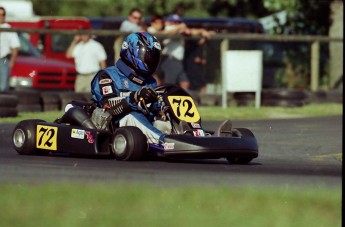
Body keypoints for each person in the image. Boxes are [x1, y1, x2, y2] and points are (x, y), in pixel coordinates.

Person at [90, 32, 168, 145]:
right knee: (133, 116)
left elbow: (155, 108)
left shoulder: (150, 81)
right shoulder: (107, 75)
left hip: (146, 124)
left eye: (153, 58)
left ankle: (189, 135)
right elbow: (108, 106)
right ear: (131, 53)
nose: (151, 61)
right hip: (116, 125)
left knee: (166, 119)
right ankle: (166, 142)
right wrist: (135, 97)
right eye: (147, 57)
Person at [158, 14, 213, 90]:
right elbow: (166, 33)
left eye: (178, 22)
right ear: (169, 22)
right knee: (169, 85)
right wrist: (180, 27)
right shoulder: (168, 28)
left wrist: (202, 31)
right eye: (174, 22)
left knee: (185, 83)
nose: (176, 23)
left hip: (178, 61)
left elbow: (190, 31)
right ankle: (164, 100)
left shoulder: (178, 29)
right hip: (169, 60)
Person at [0, 6, 20, 92]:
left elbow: (15, 46)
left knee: (3, 87)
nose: (1, 16)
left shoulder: (8, 28)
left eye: (3, 14)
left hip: (3, 60)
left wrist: (12, 61)